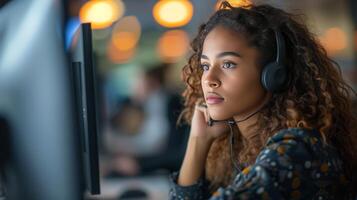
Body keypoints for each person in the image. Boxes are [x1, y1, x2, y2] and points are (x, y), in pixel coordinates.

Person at [168, 1, 357, 199]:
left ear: (273, 75)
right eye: (206, 66)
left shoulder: (297, 151)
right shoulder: (242, 147)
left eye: (228, 64)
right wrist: (199, 139)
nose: (209, 79)